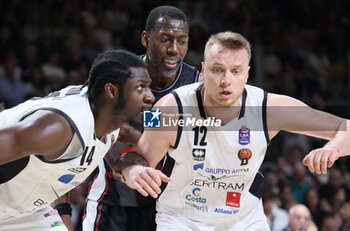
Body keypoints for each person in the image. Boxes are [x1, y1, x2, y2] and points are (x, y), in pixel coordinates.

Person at [121, 31, 350, 230]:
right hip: (181, 219)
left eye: (235, 71)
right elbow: (136, 157)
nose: (226, 80)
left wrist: (334, 147)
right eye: (217, 70)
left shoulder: (269, 109)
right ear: (203, 70)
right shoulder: (169, 109)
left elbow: (345, 126)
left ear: (247, 74)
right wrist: (132, 171)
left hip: (245, 220)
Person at [0, 49, 154, 231]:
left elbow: (95, 147)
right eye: (140, 87)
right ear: (111, 91)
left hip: (27, 212)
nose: (150, 96)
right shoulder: (58, 128)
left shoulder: (109, 122)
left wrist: (117, 163)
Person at [82, 5, 199, 231]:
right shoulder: (117, 75)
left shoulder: (197, 85)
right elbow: (86, 124)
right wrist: (119, 161)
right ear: (146, 39)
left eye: (182, 41)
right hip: (111, 200)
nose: (174, 49)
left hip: (168, 208)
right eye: (165, 39)